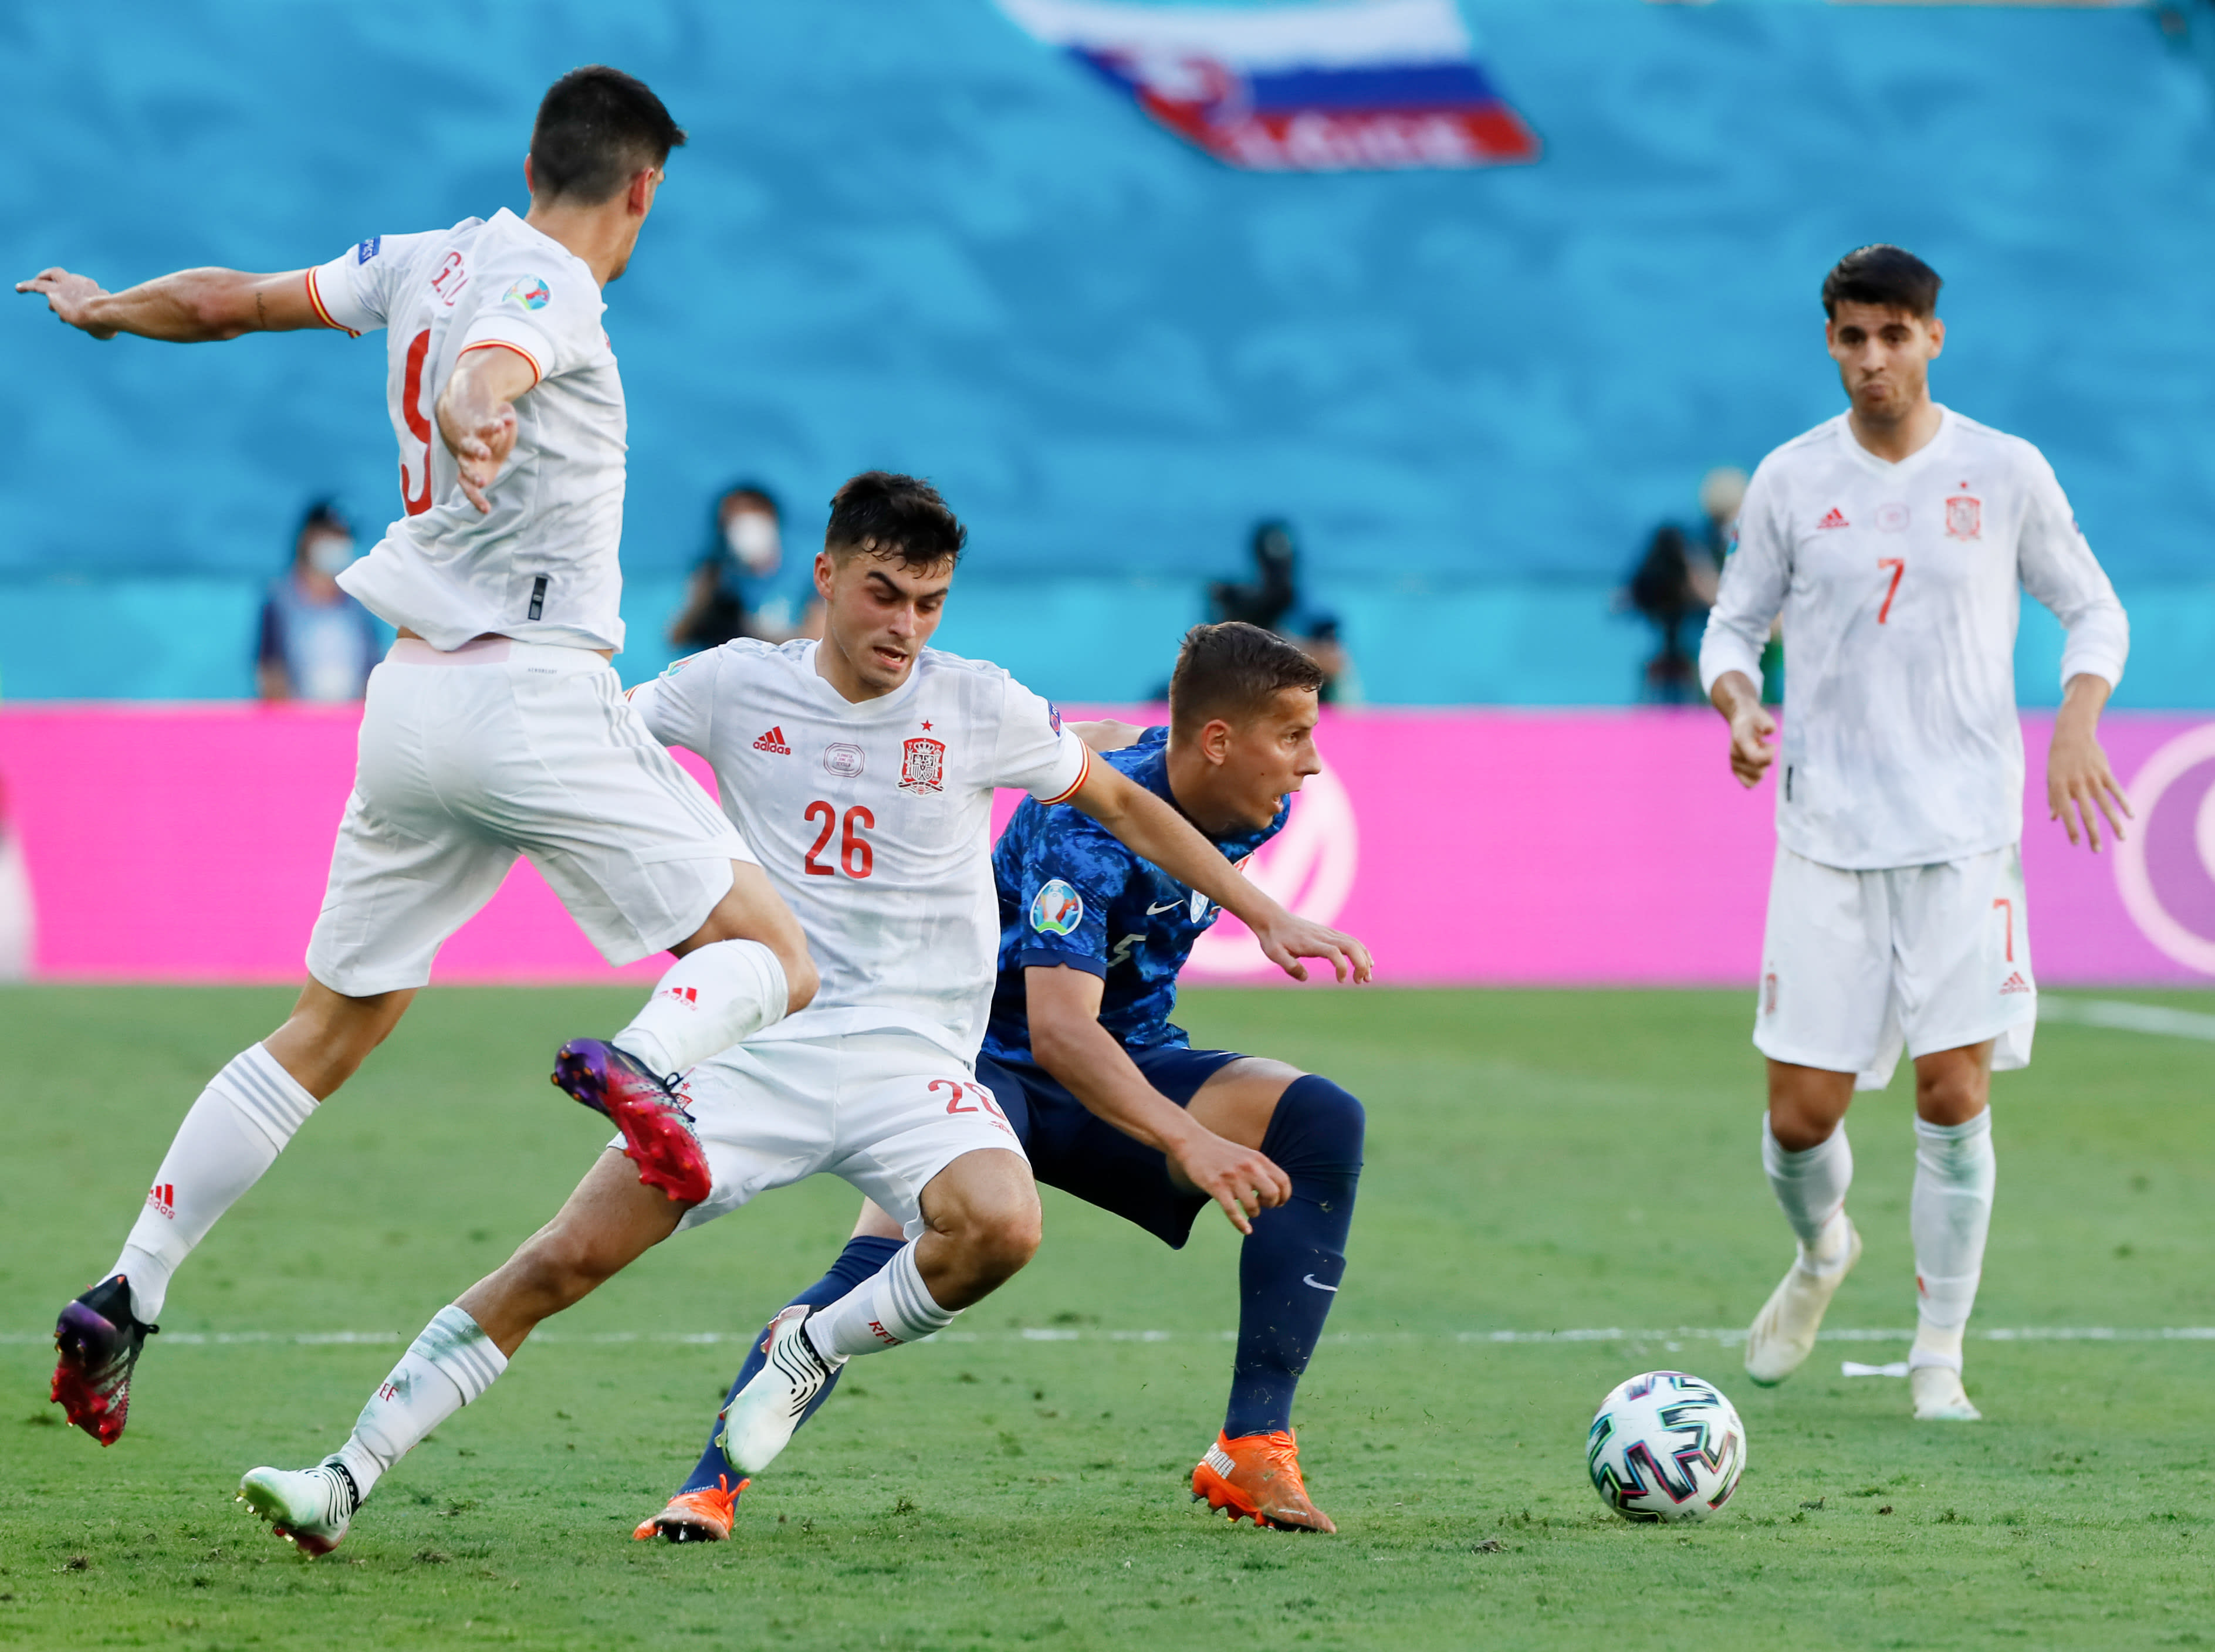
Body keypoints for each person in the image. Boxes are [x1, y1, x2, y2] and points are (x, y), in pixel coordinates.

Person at [231, 474, 1370, 1556]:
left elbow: (1124, 801)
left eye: (929, 603)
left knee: (1000, 1228)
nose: (905, 626)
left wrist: (1261, 914)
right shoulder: (731, 684)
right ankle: (343, 1475)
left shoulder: (978, 704)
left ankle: (809, 1344)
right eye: (884, 594)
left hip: (915, 1065)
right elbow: (585, 757)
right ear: (826, 576)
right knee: (563, 1260)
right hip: (760, 1049)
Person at [21, 66, 825, 1448]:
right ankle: (643, 1065)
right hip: (537, 692)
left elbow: (229, 302)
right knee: (772, 952)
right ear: (641, 190)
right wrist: (473, 406)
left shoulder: (419, 257)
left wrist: (108, 311)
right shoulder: (553, 284)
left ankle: (127, 1293)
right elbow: (494, 362)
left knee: (329, 1025)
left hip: (410, 708)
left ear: (530, 157)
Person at [637, 619, 1365, 1543]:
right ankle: (709, 1489)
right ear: (1218, 741)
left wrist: (1263, 922)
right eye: (1293, 737)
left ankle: (1252, 1443)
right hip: (986, 1061)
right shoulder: (1082, 832)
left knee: (1320, 1120)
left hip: (1128, 1051)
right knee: (877, 1260)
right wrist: (1188, 1140)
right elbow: (1060, 1034)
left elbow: (1114, 743)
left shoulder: (1257, 803)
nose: (1308, 765)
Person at [1699, 245, 2131, 1422]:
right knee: (1802, 1120)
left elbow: (2091, 607)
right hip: (1827, 833)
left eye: (1895, 334)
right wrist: (1740, 705)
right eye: (1853, 336)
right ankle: (1821, 1249)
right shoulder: (1790, 481)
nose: (1874, 357)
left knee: (1952, 1093)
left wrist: (2075, 724)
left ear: (1934, 338)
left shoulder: (2002, 471)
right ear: (1830, 344)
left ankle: (1938, 1355)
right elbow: (1731, 631)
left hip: (1962, 836)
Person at [667, 482, 823, 651]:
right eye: (734, 522)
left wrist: (748, 632)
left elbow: (817, 644)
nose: (747, 532)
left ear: (773, 519)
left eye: (753, 517)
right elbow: (676, 638)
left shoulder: (809, 570)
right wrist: (702, 599)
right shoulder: (719, 576)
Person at [255, 500, 382, 702]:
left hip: (350, 722)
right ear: (307, 538)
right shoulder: (280, 601)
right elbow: (270, 673)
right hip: (296, 722)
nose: (336, 543)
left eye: (343, 536)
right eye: (329, 534)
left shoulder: (360, 605)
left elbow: (372, 672)